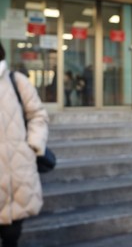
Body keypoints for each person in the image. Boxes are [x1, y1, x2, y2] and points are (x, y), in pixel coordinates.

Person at [0, 42, 49, 247]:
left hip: (16, 169)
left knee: (12, 233)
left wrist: (32, 146)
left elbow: (38, 114)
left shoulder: (16, 81)